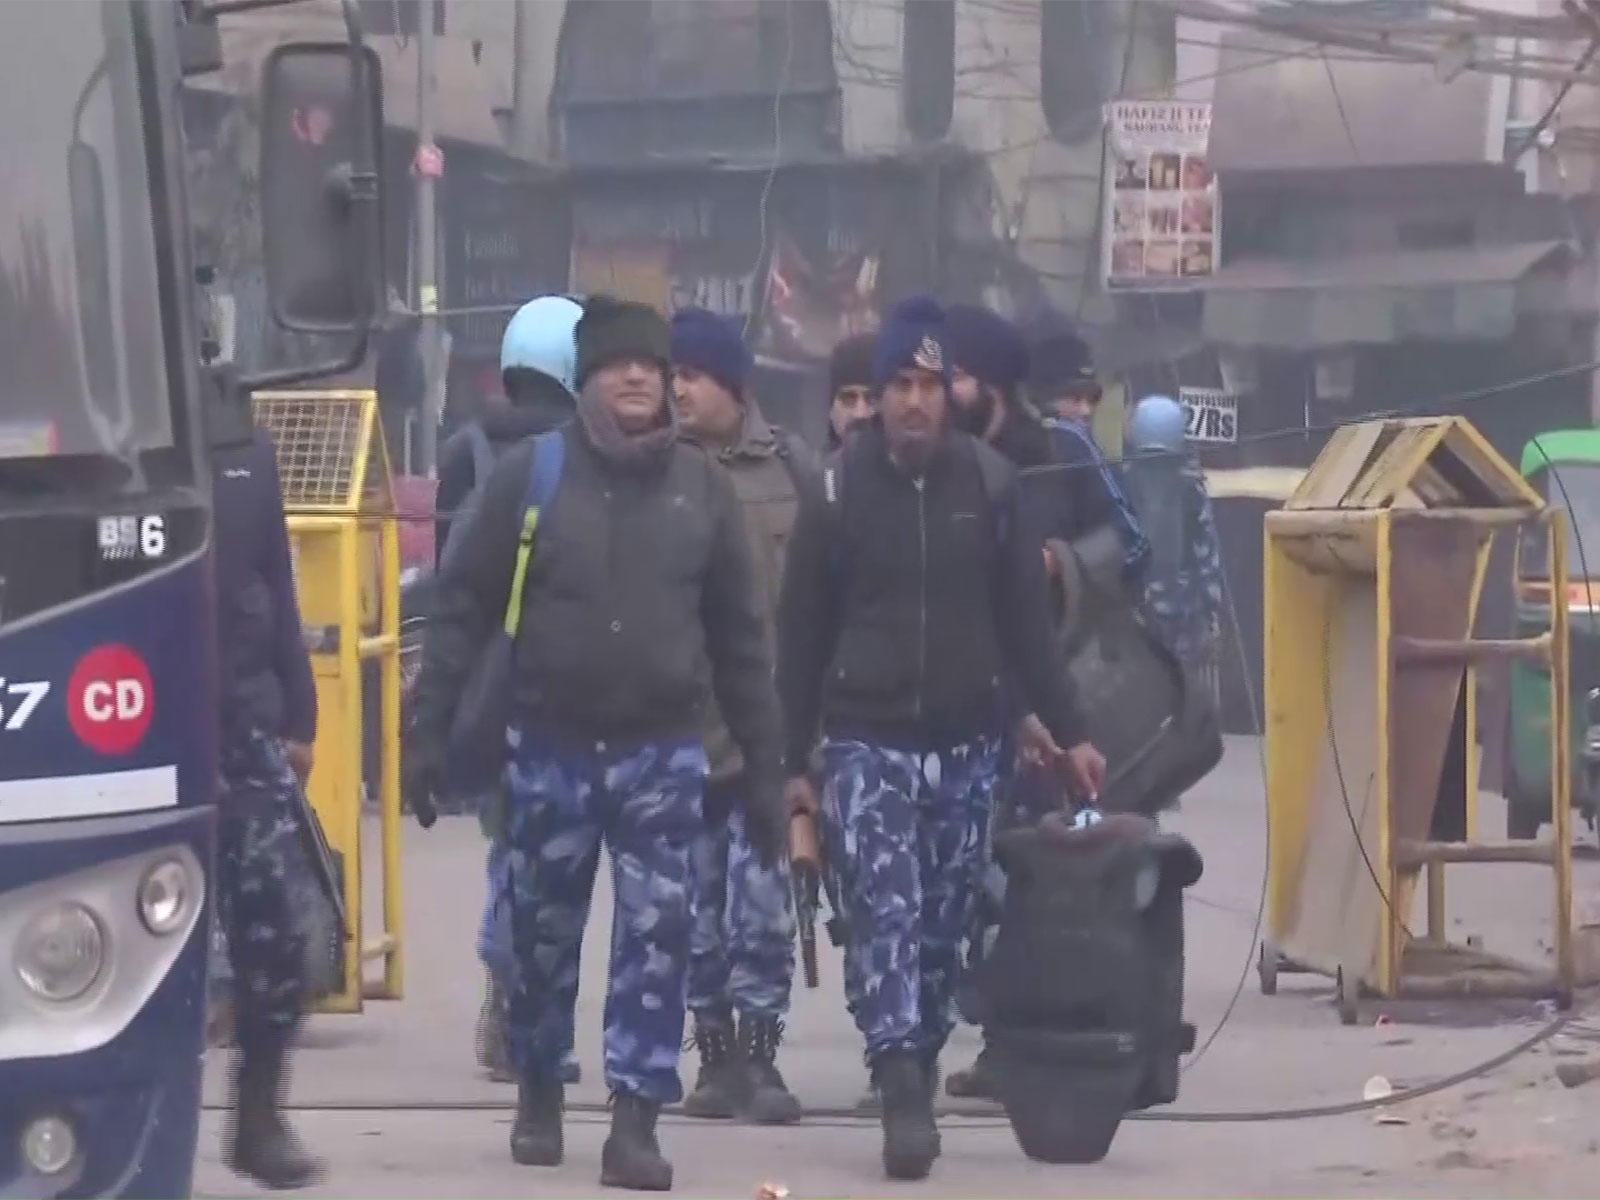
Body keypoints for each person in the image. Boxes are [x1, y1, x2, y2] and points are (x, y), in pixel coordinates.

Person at [406, 295, 787, 1191]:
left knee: (659, 936)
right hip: (550, 746)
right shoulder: (532, 477)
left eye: (651, 369)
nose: (636, 379)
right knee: (541, 937)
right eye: (618, 365)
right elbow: (457, 611)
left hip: (663, 750)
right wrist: (425, 735)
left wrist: (768, 777)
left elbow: (741, 645)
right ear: (587, 380)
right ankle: (539, 1084)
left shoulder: (705, 491)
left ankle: (635, 1118)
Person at [776, 296, 1106, 1181]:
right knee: (885, 904)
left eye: (929, 384)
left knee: (942, 924)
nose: (915, 401)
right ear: (876, 397)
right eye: (899, 385)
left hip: (968, 743)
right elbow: (799, 636)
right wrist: (789, 769)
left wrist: (1071, 732)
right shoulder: (838, 492)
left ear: (948, 394)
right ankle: (900, 1081)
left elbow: (1028, 630)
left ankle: (915, 1050)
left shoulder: (992, 489)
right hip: (865, 740)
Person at [439, 295, 586, 1088]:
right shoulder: (578, 457)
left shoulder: (466, 449)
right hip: (559, 688)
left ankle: (507, 994)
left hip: (487, 692)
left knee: (511, 849)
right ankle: (520, 1007)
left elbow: (452, 587)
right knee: (546, 862)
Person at [670, 307, 812, 1126]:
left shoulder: (790, 469)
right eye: (673, 373)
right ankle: (714, 1057)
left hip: (766, 735)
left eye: (694, 373)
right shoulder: (657, 471)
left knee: (763, 913)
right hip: (683, 736)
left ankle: (762, 1060)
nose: (678, 387)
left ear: (734, 383)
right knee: (693, 915)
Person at [212, 421, 324, 1189]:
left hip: (242, 728)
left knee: (284, 937)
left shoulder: (243, 455)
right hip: (123, 719)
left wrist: (299, 716)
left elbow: (275, 589)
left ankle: (258, 1116)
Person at [1123, 394, 1224, 674]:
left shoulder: (1121, 484)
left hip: (1136, 617)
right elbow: (1207, 557)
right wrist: (1211, 616)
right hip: (1184, 618)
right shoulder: (1191, 490)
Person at [826, 332, 878, 450]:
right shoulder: (819, 468)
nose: (860, 414)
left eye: (871, 400)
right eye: (849, 400)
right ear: (831, 411)